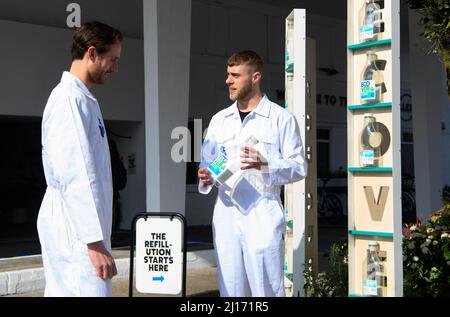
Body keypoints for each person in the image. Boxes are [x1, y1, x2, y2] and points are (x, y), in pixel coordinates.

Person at [198, 50, 307, 297]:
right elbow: (210, 165)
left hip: (262, 213)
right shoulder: (219, 120)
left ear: (255, 77)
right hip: (225, 214)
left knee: (265, 287)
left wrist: (266, 163)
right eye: (228, 75)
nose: (228, 80)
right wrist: (206, 176)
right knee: (231, 289)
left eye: (235, 75)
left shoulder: (281, 119)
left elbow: (299, 167)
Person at [37, 21, 122, 297]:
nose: (115, 69)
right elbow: (74, 173)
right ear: (92, 53)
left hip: (82, 231)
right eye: (113, 60)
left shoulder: (84, 100)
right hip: (75, 232)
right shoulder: (68, 99)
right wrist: (93, 241)